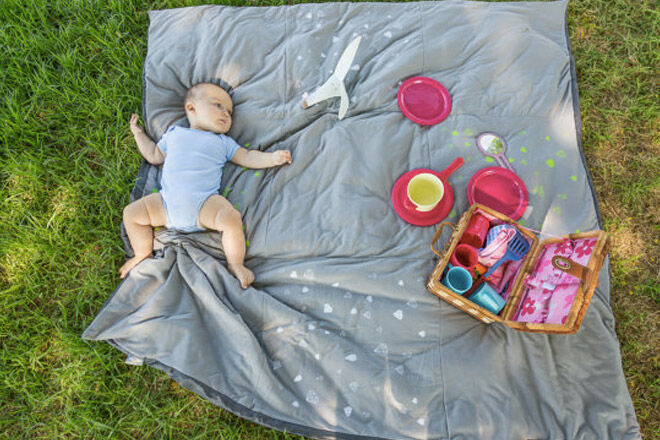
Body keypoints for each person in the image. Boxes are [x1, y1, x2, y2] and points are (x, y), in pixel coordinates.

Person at [119, 82, 292, 288]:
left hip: (204, 203)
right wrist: (138, 134)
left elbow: (247, 157)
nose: (226, 114)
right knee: (131, 213)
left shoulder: (223, 142)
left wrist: (272, 159)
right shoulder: (174, 134)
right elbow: (154, 155)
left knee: (230, 219)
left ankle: (236, 264)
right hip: (166, 204)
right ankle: (142, 253)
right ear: (191, 108)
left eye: (229, 111)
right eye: (218, 106)